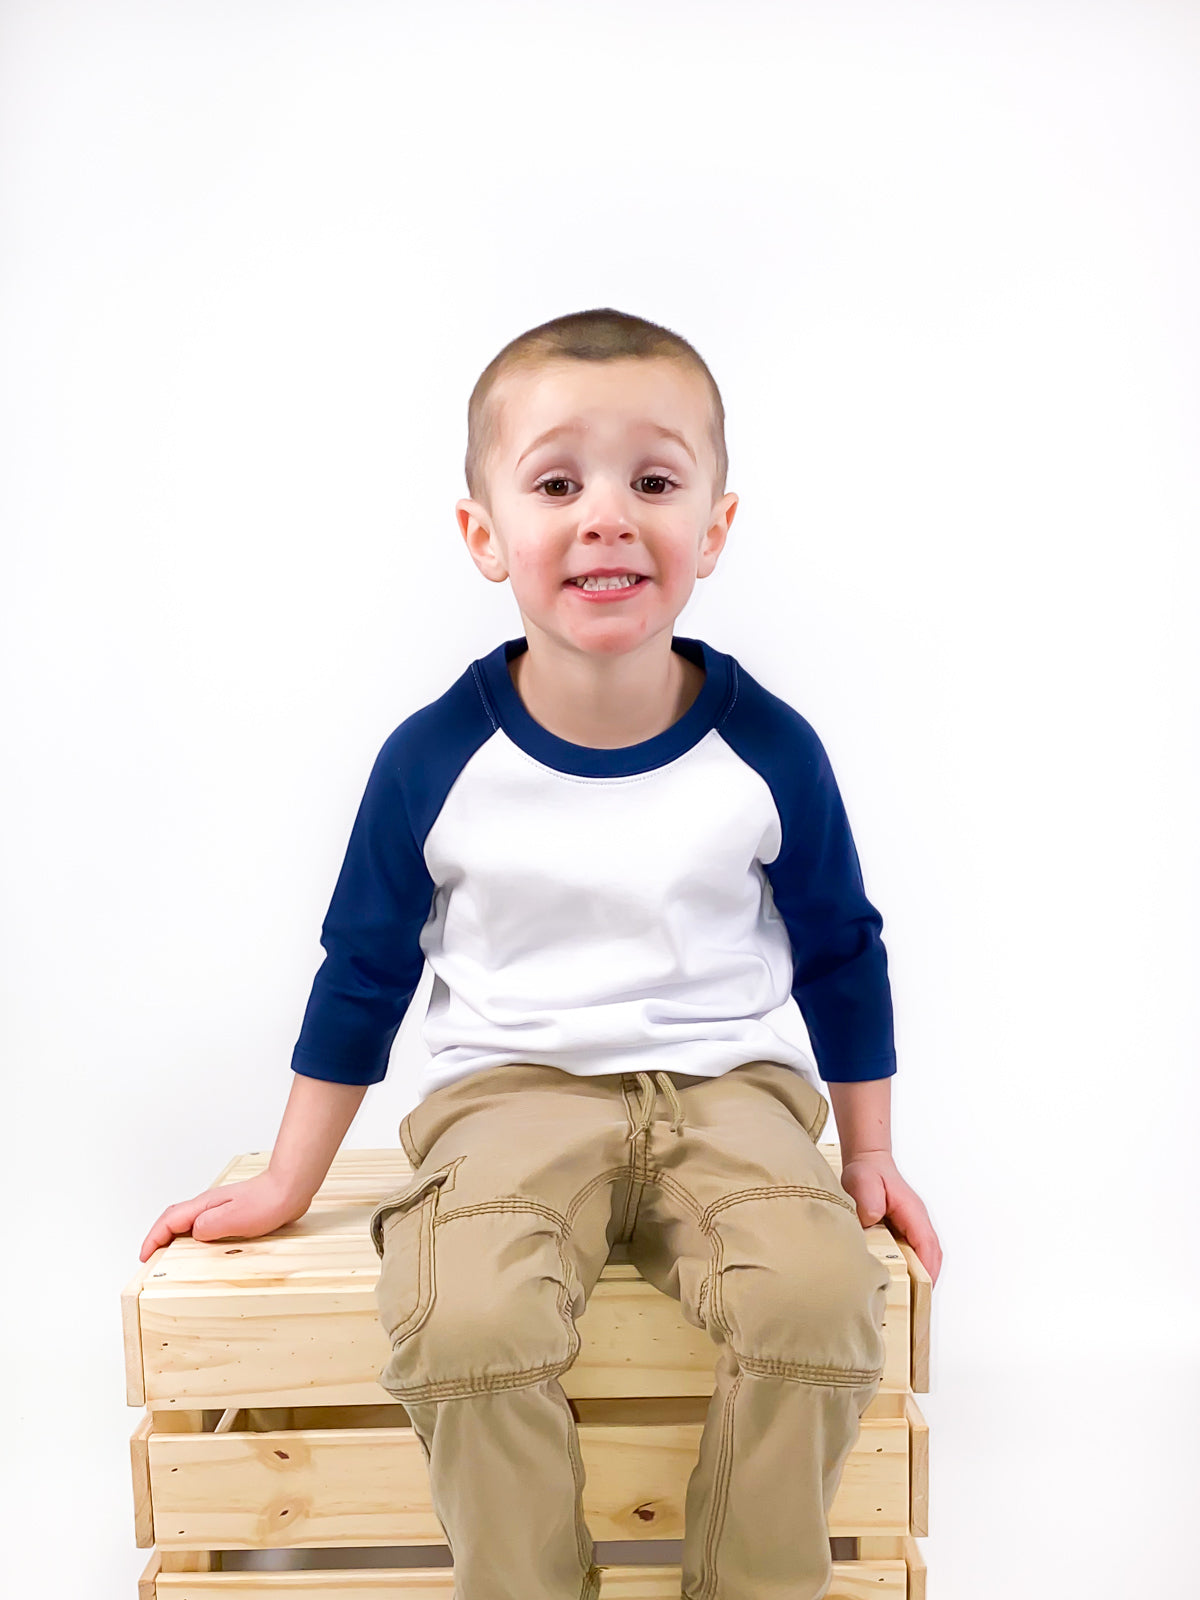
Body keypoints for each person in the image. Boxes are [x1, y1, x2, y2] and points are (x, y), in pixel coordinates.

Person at [140, 307, 943, 1600]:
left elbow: (842, 954)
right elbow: (363, 974)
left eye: (656, 481)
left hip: (730, 1095)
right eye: (559, 482)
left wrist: (868, 1155)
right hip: (506, 1097)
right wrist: (286, 1182)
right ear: (484, 535)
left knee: (815, 1298)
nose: (610, 515)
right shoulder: (435, 759)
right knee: (466, 1320)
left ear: (716, 529)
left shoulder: (770, 751)